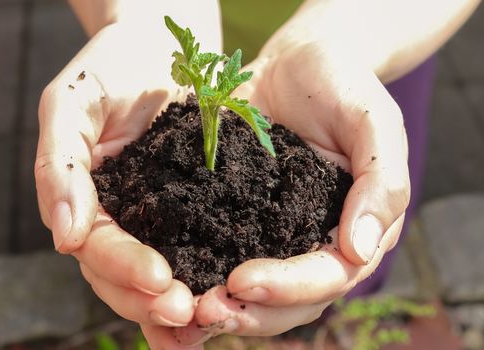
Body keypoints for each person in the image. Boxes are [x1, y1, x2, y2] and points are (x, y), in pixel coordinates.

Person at [34, 0, 481, 348]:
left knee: (357, 227)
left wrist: (344, 40)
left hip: (375, 33)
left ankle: (326, 325)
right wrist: (146, 22)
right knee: (165, 294)